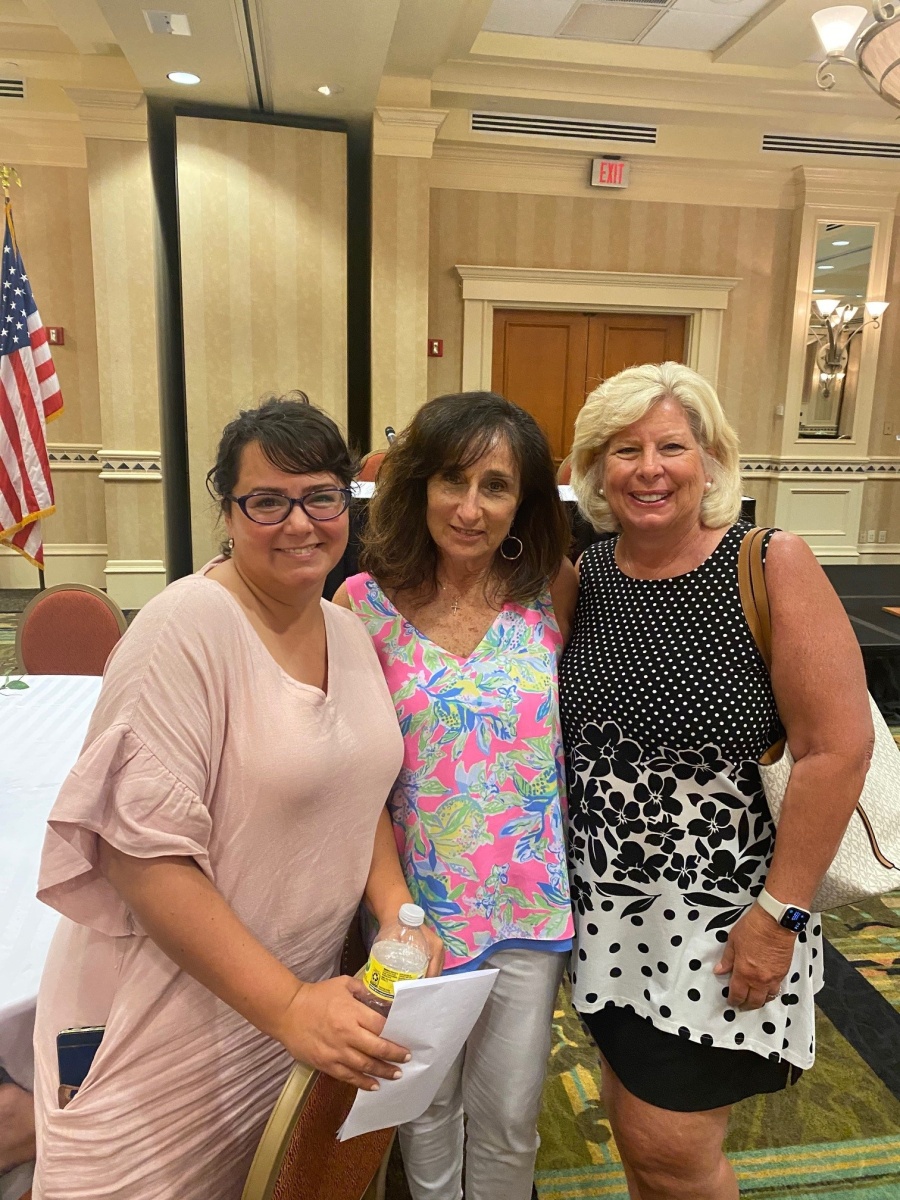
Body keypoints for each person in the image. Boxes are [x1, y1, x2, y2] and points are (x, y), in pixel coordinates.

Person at [32, 396, 442, 1200]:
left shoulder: (346, 630)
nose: (300, 523)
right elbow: (141, 860)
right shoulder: (183, 629)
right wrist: (287, 1005)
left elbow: (356, 789)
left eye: (320, 497)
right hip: (172, 1015)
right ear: (227, 512)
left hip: (291, 1016)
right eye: (267, 502)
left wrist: (397, 910)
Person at [560, 361, 873, 1200]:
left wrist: (780, 916)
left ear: (710, 460)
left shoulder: (769, 561)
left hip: (725, 916)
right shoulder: (591, 574)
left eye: (671, 446)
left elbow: (837, 750)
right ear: (595, 469)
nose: (649, 469)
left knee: (671, 1151)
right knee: (636, 1131)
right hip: (606, 913)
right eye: (624, 449)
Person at [333, 390, 579, 1200]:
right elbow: (353, 778)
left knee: (509, 1117)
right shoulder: (360, 607)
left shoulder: (551, 591)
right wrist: (393, 907)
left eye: (495, 486)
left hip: (528, 905)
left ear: (524, 500)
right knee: (424, 1109)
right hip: (415, 909)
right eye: (452, 480)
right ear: (419, 486)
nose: (470, 509)